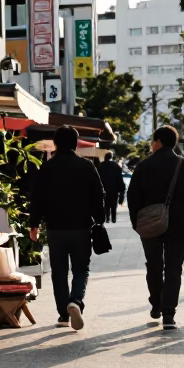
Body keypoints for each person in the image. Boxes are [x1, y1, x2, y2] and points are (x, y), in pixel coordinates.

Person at [28, 126, 105, 330]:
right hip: (81, 227)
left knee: (59, 272)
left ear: (56, 143)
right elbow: (98, 195)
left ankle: (63, 314)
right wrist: (99, 219)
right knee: (81, 268)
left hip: (55, 228)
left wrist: (33, 224)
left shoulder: (47, 167)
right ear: (76, 143)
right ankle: (76, 301)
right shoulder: (87, 166)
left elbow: (37, 198)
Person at [126, 125, 184, 329]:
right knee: (173, 268)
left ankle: (156, 304)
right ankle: (169, 313)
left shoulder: (144, 166)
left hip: (150, 226)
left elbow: (132, 197)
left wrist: (137, 223)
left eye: (153, 141)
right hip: (179, 227)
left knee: (153, 266)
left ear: (158, 142)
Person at [98, 154, 126, 223]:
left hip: (104, 188)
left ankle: (107, 217)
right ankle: (113, 218)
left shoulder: (100, 166)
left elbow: (98, 178)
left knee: (106, 204)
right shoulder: (116, 166)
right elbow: (120, 178)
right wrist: (122, 190)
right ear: (111, 157)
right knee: (114, 204)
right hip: (114, 188)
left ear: (105, 158)